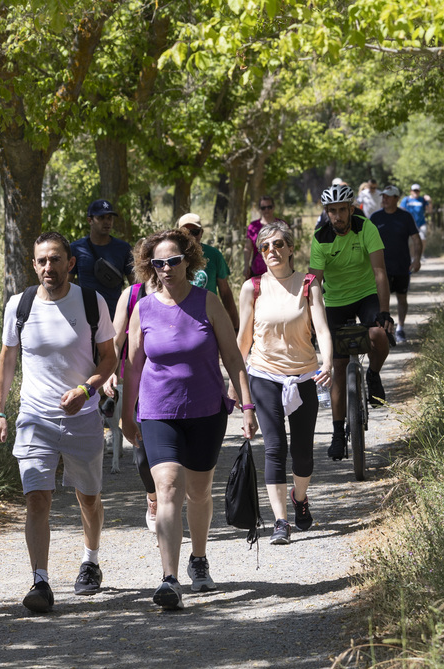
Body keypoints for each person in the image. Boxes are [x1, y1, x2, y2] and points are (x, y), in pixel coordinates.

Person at [121, 229, 256, 610]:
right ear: (149, 266)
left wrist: (246, 406)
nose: (166, 268)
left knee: (198, 491)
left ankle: (199, 559)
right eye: (158, 263)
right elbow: (133, 367)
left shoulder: (208, 302)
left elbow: (233, 358)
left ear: (189, 261)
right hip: (158, 411)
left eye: (173, 261)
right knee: (167, 487)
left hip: (206, 410)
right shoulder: (142, 309)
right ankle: (169, 578)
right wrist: (126, 414)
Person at [0, 232, 117, 614]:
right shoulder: (20, 304)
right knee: (37, 498)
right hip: (34, 417)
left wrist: (87, 388)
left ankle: (91, 560)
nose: (49, 267)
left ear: (70, 263)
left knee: (89, 497)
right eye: (42, 260)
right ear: (34, 265)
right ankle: (41, 581)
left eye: (56, 259)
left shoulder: (92, 303)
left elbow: (109, 359)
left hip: (81, 417)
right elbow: (7, 359)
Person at [235, 222, 334, 545]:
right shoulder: (253, 287)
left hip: (303, 376)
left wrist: (328, 362)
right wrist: (235, 383)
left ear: (291, 248)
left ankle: (300, 497)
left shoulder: (308, 284)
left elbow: (322, 329)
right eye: (265, 247)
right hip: (264, 376)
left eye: (278, 245)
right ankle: (280, 521)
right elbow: (244, 338)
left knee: (303, 453)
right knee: (275, 448)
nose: (272, 251)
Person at [310, 185, 395, 461]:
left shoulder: (365, 227)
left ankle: (373, 375)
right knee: (339, 364)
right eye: (331, 211)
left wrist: (384, 311)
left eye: (341, 210)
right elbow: (314, 283)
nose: (337, 216)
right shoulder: (320, 237)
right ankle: (337, 433)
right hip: (335, 302)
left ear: (351, 208)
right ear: (327, 213)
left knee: (378, 334)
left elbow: (379, 271)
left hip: (365, 295)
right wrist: (310, 321)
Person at [102, 270, 159, 533]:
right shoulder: (131, 295)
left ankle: (169, 503)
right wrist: (108, 375)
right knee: (143, 454)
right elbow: (115, 342)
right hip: (134, 383)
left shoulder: (184, 291)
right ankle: (153, 497)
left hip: (172, 384)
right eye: (156, 261)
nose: (163, 267)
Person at [370, 186, 423, 344]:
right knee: (379, 300)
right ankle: (383, 330)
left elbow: (416, 239)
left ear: (396, 198)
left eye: (388, 196)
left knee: (401, 297)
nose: (384, 199)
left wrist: (417, 259)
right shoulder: (375, 218)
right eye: (383, 196)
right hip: (380, 269)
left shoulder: (405, 217)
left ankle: (400, 328)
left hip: (401, 266)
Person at [70, 198, 135, 314]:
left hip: (114, 317)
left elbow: (136, 286)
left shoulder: (124, 248)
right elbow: (66, 284)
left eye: (110, 218)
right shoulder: (76, 248)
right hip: (85, 316)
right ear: (90, 220)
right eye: (101, 218)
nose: (107, 222)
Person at [176, 213, 239, 332]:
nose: (190, 236)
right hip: (180, 320)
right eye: (185, 232)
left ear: (201, 233)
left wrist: (235, 325)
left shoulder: (214, 255)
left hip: (208, 320)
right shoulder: (171, 257)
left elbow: (225, 292)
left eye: (195, 232)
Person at [244, 196, 287, 280]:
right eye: (263, 208)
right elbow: (248, 248)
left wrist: (291, 269)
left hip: (279, 271)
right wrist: (246, 266)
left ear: (274, 207)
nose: (266, 210)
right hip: (257, 271)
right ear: (259, 209)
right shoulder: (253, 226)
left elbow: (288, 248)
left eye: (269, 207)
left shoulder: (282, 225)